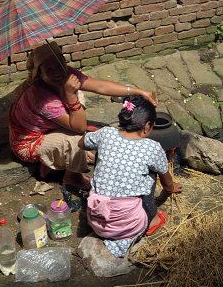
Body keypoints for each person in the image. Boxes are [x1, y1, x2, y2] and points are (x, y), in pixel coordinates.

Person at [9, 41, 158, 191]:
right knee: (78, 139)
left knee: (77, 92)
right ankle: (71, 178)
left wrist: (139, 92)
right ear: (39, 73)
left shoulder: (67, 74)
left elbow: (100, 86)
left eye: (59, 64)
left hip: (47, 126)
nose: (57, 72)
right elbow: (80, 128)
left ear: (64, 61)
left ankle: (56, 159)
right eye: (49, 69)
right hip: (29, 142)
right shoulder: (40, 96)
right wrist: (70, 95)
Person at [78, 95, 182, 258]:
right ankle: (151, 220)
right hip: (127, 226)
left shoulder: (106, 133)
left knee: (102, 153)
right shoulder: (152, 148)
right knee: (152, 172)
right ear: (147, 126)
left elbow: (81, 143)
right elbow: (167, 183)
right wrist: (171, 188)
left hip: (97, 221)